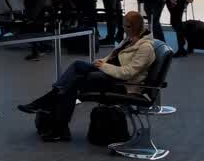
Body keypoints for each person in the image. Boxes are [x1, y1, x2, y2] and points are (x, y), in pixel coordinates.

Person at [18, 10, 155, 142]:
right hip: (110, 74)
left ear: (133, 27)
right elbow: (114, 56)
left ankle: (47, 109)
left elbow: (128, 73)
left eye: (126, 26)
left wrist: (103, 66)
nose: (123, 29)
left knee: (74, 83)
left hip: (122, 84)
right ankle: (55, 117)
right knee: (77, 67)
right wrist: (103, 61)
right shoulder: (131, 39)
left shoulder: (145, 47)